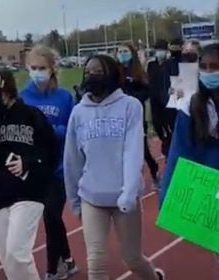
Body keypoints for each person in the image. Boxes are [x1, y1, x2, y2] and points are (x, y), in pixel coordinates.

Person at [64, 54, 165, 280]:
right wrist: (75, 201)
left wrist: (129, 192)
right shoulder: (79, 113)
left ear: (111, 74)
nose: (92, 75)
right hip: (92, 197)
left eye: (98, 71)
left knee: (132, 259)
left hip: (123, 198)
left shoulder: (130, 106)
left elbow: (133, 151)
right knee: (96, 262)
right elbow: (72, 159)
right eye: (88, 71)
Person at [0, 68, 59, 280]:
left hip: (29, 192)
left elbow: (51, 151)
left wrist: (29, 163)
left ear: (8, 90)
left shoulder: (31, 115)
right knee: (8, 261)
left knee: (17, 254)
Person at [160, 43, 219, 277]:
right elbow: (179, 152)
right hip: (212, 186)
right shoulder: (190, 103)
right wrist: (168, 196)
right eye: (204, 66)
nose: (208, 72)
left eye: (214, 67)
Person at [20, 45, 77, 280]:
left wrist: (51, 130)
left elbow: (72, 129)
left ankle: (53, 269)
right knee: (49, 218)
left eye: (42, 68)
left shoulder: (64, 97)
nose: (37, 72)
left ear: (52, 69)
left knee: (51, 216)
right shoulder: (22, 97)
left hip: (58, 168)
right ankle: (68, 259)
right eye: (33, 68)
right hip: (33, 168)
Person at [117, 43, 160, 188]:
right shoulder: (115, 72)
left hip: (136, 115)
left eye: (125, 51)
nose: (122, 54)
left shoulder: (138, 71)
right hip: (118, 116)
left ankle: (154, 172)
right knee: (121, 150)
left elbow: (146, 90)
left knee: (142, 149)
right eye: (120, 51)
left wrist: (134, 97)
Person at [147, 39, 175, 159]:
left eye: (162, 49)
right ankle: (165, 141)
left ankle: (169, 146)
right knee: (157, 124)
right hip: (155, 99)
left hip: (168, 99)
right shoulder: (151, 65)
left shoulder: (169, 64)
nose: (160, 52)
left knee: (170, 124)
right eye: (158, 49)